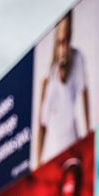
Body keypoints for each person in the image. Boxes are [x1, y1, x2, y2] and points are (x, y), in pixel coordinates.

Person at [36, 12, 91, 166]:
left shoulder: (77, 58)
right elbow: (42, 126)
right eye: (60, 42)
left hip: (72, 146)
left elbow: (84, 94)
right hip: (52, 153)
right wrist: (37, 163)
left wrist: (88, 136)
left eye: (66, 41)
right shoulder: (47, 78)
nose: (63, 48)